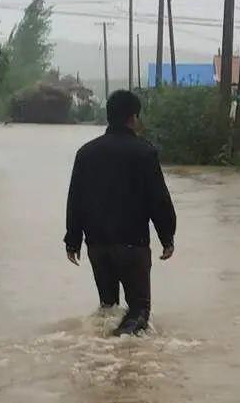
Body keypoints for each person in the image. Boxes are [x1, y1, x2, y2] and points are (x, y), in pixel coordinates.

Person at [64, 90, 176, 336]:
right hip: (132, 246)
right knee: (139, 311)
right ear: (133, 118)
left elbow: (76, 200)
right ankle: (122, 347)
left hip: (98, 247)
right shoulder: (144, 153)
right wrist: (167, 237)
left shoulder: (86, 153)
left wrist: (73, 240)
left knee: (108, 309)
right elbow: (158, 199)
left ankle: (104, 351)